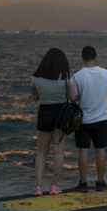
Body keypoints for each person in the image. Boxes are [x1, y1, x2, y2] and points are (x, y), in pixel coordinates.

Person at [31, 47, 76, 196]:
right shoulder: (66, 77)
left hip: (44, 113)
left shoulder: (36, 78)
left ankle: (38, 187)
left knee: (41, 152)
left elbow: (35, 97)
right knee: (59, 152)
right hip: (61, 116)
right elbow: (73, 97)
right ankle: (54, 187)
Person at [72, 46, 107, 193]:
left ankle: (83, 183)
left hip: (83, 120)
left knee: (83, 151)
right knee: (100, 150)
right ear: (96, 57)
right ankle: (100, 182)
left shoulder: (77, 76)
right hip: (102, 119)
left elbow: (74, 98)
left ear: (82, 58)